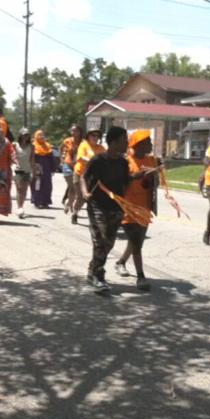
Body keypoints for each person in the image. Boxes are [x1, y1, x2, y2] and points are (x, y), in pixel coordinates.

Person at [81, 126, 131, 294]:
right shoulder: (97, 160)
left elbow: (126, 183)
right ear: (114, 142)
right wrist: (84, 192)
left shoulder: (123, 162)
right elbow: (83, 177)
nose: (127, 143)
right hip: (97, 205)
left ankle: (92, 269)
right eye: (124, 140)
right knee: (100, 240)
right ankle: (98, 275)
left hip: (116, 207)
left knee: (108, 243)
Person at [113, 130, 159, 291]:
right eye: (148, 143)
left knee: (136, 241)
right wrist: (136, 176)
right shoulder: (125, 162)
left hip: (144, 207)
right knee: (136, 241)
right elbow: (120, 185)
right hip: (129, 208)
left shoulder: (151, 160)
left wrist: (155, 176)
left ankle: (120, 262)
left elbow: (155, 185)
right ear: (139, 145)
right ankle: (141, 277)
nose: (151, 145)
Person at [72, 127, 105, 224]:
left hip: (92, 177)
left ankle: (94, 219)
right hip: (80, 174)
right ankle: (75, 213)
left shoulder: (101, 148)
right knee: (81, 198)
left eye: (97, 136)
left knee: (93, 198)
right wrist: (93, 162)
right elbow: (80, 158)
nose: (95, 137)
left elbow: (106, 158)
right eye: (93, 135)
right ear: (88, 136)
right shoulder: (84, 145)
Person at [60, 125, 83, 215]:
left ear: (80, 132)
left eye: (75, 131)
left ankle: (68, 203)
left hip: (78, 166)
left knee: (76, 189)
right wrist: (61, 160)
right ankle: (71, 206)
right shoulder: (67, 141)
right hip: (68, 165)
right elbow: (61, 148)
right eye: (72, 131)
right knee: (72, 187)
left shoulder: (83, 142)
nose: (73, 133)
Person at [31, 129, 56, 209]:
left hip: (46, 169)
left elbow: (52, 159)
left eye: (42, 135)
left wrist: (53, 169)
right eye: (39, 135)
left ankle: (46, 202)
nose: (41, 136)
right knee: (37, 185)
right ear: (35, 136)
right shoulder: (33, 146)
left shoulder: (48, 146)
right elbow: (31, 158)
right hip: (37, 168)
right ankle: (37, 201)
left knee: (47, 185)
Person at [13, 128, 34, 219]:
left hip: (27, 169)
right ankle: (19, 207)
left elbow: (32, 159)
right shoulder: (15, 145)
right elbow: (12, 156)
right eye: (24, 134)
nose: (26, 136)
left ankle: (21, 206)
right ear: (20, 135)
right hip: (18, 169)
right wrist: (15, 163)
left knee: (24, 190)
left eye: (27, 135)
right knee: (19, 189)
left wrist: (34, 171)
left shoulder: (31, 146)